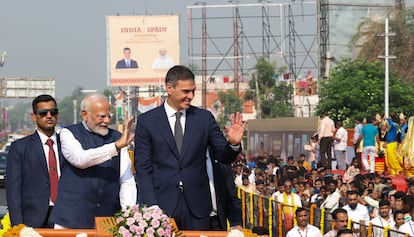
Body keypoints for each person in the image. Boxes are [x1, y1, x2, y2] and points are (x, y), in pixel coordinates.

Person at [134, 65, 247, 230]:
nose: (191, 96)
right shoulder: (147, 122)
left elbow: (223, 157)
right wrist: (152, 205)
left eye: (193, 91)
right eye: (186, 91)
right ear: (169, 88)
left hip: (198, 208)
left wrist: (234, 144)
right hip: (162, 207)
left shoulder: (204, 118)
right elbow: (143, 168)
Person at [50, 93, 137, 229]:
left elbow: (126, 179)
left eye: (109, 115)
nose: (107, 120)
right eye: (101, 116)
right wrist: (115, 147)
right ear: (85, 115)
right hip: (70, 219)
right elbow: (80, 159)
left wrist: (129, 216)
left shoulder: (118, 137)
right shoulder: (68, 133)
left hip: (107, 220)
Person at [6, 94, 65, 228]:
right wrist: (18, 226)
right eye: (43, 113)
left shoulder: (68, 145)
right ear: (34, 116)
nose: (49, 116)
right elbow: (13, 191)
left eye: (53, 112)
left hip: (65, 217)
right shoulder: (20, 148)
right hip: (33, 220)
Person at [206, 149, 242, 231]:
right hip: (192, 223)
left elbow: (231, 196)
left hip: (217, 222)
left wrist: (236, 223)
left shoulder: (221, 164)